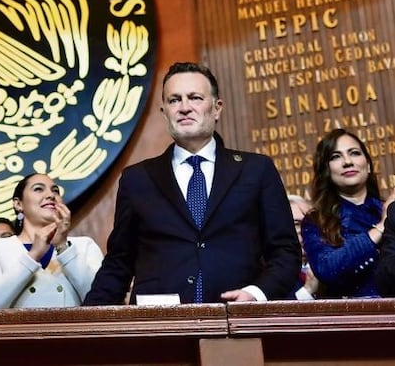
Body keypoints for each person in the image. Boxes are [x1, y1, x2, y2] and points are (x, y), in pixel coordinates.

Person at [83, 61, 300, 305]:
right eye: (174, 100)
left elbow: (285, 252)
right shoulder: (137, 179)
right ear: (164, 111)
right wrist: (82, 327)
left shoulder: (256, 170)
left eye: (195, 98)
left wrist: (257, 293)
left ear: (217, 108)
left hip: (236, 323)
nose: (184, 108)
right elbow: (118, 263)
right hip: (159, 328)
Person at [0, 173, 103, 308]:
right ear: (18, 204)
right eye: (38, 189)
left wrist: (62, 246)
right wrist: (33, 255)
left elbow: (101, 301)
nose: (51, 195)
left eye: (55, 191)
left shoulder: (84, 246)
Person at [300, 129, 391, 299]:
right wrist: (380, 229)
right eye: (336, 156)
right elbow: (326, 268)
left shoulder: (388, 211)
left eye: (354, 153)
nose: (347, 162)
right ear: (325, 171)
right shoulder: (316, 221)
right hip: (351, 318)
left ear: (369, 165)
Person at [288, 194, 320, 300]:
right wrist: (307, 291)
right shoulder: (267, 274)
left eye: (311, 224)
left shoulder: (327, 264)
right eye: (296, 223)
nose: (305, 230)